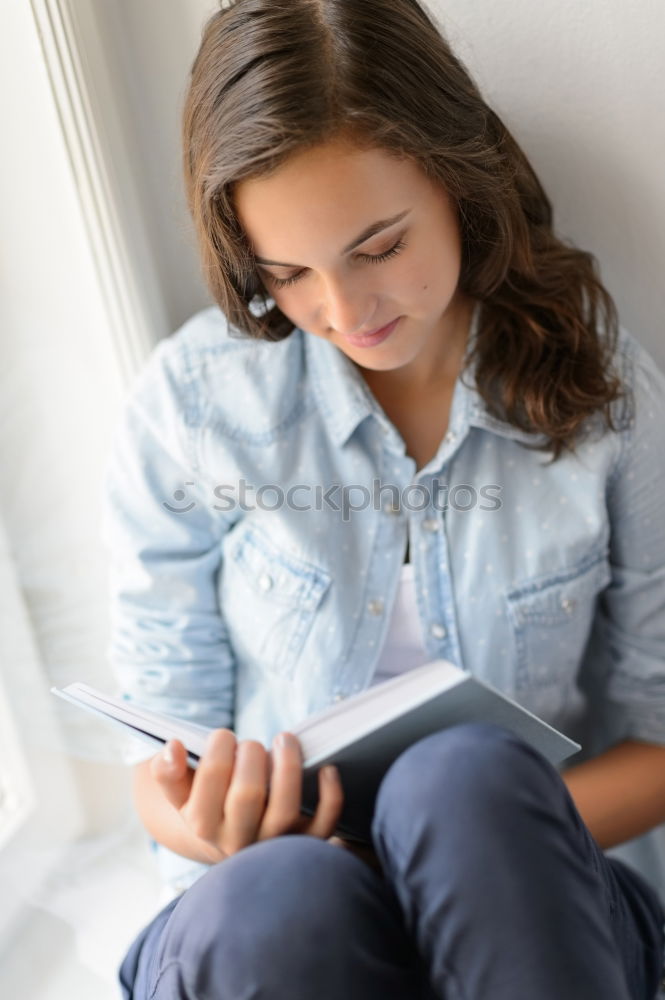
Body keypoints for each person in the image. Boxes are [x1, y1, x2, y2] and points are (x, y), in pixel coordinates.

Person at [101, 1, 665, 997]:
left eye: (377, 246)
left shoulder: (600, 392)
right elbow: (159, 746)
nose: (344, 312)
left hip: (528, 895)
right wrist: (212, 820)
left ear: (458, 178)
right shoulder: (194, 405)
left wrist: (439, 840)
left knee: (464, 783)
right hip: (268, 913)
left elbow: (659, 734)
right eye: (288, 274)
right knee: (283, 895)